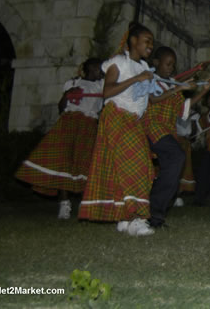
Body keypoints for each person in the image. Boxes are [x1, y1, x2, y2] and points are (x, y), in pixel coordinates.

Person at [78, 22, 156, 236]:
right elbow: (107, 91)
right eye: (146, 41)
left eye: (152, 42)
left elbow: (152, 98)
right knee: (136, 163)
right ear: (133, 41)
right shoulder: (118, 62)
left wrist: (183, 87)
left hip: (135, 120)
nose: (150, 45)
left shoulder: (145, 68)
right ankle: (138, 217)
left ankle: (124, 216)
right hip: (117, 116)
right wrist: (136, 79)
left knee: (137, 167)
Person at [14, 58, 104, 219]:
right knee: (64, 162)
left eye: (101, 68)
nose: (99, 70)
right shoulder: (73, 83)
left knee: (86, 162)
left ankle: (87, 203)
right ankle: (64, 204)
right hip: (69, 122)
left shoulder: (102, 85)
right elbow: (61, 107)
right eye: (97, 67)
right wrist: (66, 96)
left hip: (89, 125)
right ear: (89, 67)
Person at [144, 46, 210, 228]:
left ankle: (155, 215)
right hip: (152, 127)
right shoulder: (152, 79)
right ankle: (153, 209)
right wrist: (178, 87)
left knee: (173, 169)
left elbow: (183, 109)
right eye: (167, 64)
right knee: (177, 157)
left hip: (166, 131)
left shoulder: (171, 84)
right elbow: (152, 99)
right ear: (156, 63)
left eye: (173, 65)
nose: (171, 68)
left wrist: (204, 90)